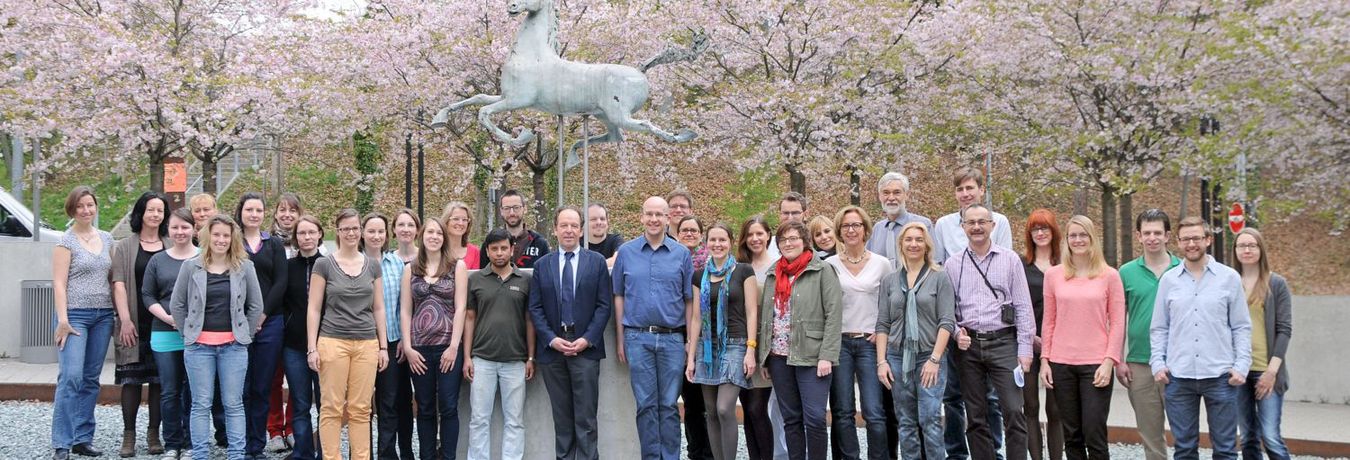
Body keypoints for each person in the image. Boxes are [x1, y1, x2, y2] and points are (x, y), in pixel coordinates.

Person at [1150, 217, 1251, 460]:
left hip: (1221, 377)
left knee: (1226, 450)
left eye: (1196, 238)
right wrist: (1158, 362)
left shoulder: (1229, 278)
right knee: (1184, 450)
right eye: (1186, 239)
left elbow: (1241, 326)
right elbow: (1159, 328)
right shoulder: (1169, 280)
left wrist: (1241, 366)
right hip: (1178, 376)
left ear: (1207, 239)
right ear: (1178, 242)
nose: (1191, 244)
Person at [169, 214, 265, 460]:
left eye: (226, 235)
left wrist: (244, 333)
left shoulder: (245, 267)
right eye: (216, 234)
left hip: (234, 347)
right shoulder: (191, 266)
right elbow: (177, 304)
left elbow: (255, 306)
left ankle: (236, 455)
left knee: (234, 404)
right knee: (201, 404)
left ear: (232, 238)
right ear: (207, 236)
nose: (221, 239)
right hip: (199, 347)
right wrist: (188, 333)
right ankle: (200, 454)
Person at [947, 203, 1034, 460]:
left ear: (992, 225)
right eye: (970, 222)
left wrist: (1026, 349)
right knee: (975, 415)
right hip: (969, 346)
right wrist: (955, 332)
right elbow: (947, 310)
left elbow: (1023, 306)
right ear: (963, 227)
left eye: (982, 222)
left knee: (1014, 411)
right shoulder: (954, 264)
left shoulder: (1010, 260)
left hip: (1004, 342)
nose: (976, 227)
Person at [933, 167, 1009, 460]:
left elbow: (1005, 264)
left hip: (988, 322)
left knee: (990, 396)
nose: (965, 194)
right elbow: (939, 267)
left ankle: (993, 450)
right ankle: (956, 452)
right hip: (955, 317)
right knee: (952, 394)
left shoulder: (998, 222)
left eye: (970, 188)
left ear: (981, 190)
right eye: (960, 189)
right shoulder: (943, 225)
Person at [613, 196, 695, 460]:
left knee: (669, 406)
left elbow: (689, 301)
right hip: (637, 338)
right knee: (646, 405)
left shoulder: (681, 254)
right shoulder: (626, 252)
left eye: (659, 214)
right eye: (649, 214)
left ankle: (670, 457)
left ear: (668, 217)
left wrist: (689, 342)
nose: (654, 219)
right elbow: (619, 297)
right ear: (641, 217)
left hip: (672, 339)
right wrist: (620, 338)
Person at [306, 208, 391, 460]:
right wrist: (312, 347)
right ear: (338, 231)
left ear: (360, 231)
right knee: (331, 408)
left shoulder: (373, 265)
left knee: (361, 409)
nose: (351, 233)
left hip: (366, 343)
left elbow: (378, 307)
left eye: (355, 228)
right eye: (346, 228)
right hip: (332, 341)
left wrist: (383, 346)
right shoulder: (324, 264)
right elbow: (314, 308)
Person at [1038, 216, 1125, 460]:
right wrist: (1045, 360)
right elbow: (1049, 321)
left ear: (1092, 238)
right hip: (1061, 363)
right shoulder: (1054, 276)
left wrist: (1110, 361)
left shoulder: (1110, 276)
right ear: (1066, 240)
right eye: (1072, 235)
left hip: (1096, 365)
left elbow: (1118, 322)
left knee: (1094, 433)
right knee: (1072, 435)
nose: (1078, 240)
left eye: (1083, 235)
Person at [529, 210, 613, 460]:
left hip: (585, 349)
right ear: (554, 229)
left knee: (586, 418)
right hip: (553, 350)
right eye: (563, 225)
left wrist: (587, 339)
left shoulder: (596, 262)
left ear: (581, 230)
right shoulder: (542, 265)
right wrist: (551, 339)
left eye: (573, 225)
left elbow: (604, 305)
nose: (568, 230)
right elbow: (535, 307)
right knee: (562, 418)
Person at [755, 220, 842, 460]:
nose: (788, 243)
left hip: (812, 356)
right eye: (783, 240)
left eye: (794, 238)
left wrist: (827, 355)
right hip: (779, 357)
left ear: (804, 241)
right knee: (791, 418)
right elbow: (767, 317)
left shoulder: (822, 270)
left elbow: (834, 314)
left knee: (814, 418)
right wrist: (764, 357)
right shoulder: (775, 272)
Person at [876, 222, 954, 460]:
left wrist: (934, 359)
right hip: (898, 357)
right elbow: (883, 323)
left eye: (919, 240)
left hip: (929, 356)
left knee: (929, 419)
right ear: (901, 244)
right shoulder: (890, 281)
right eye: (908, 239)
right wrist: (882, 361)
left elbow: (947, 322)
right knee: (906, 421)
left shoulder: (939, 277)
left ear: (926, 245)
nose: (913, 244)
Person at [51, 186, 117, 460]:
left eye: (90, 205)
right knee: (71, 377)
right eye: (80, 206)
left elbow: (114, 279)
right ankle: (62, 442)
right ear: (72, 209)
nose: (86, 210)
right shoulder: (65, 242)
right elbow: (59, 283)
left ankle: (82, 438)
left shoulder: (107, 238)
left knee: (91, 378)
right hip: (75, 316)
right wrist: (63, 320)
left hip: (103, 315)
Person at [684, 223, 759, 460]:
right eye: (713, 240)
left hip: (736, 344)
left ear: (730, 242)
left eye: (722, 240)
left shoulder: (743, 271)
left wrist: (751, 350)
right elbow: (696, 318)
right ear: (706, 243)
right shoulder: (700, 276)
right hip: (707, 348)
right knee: (711, 412)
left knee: (724, 408)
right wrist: (691, 358)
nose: (718, 244)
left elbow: (751, 312)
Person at [823, 206, 892, 460]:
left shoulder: (882, 264)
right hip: (839, 343)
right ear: (840, 231)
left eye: (856, 225)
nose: (851, 230)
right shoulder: (829, 265)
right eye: (846, 226)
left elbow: (891, 302)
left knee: (874, 411)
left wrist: (883, 330)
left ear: (865, 230)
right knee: (842, 411)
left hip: (870, 344)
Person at [399, 216, 469, 460]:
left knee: (448, 407)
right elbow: (406, 310)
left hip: (447, 348)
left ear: (444, 237)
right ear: (422, 235)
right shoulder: (410, 269)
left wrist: (454, 346)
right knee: (425, 408)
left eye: (439, 233)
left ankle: (448, 456)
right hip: (419, 348)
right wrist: (407, 347)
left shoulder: (456, 266)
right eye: (430, 232)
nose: (434, 237)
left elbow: (461, 308)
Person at [464, 222, 536, 460]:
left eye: (504, 248)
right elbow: (469, 318)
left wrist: (530, 357)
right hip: (482, 359)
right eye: (494, 249)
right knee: (479, 419)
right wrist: (467, 357)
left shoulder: (524, 280)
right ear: (487, 251)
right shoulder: (476, 280)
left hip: (515, 360)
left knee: (514, 420)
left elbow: (529, 320)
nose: (499, 253)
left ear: (512, 248)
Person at [1116, 209, 1179, 460]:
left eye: (1157, 232)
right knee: (1150, 434)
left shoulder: (1182, 270)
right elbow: (1119, 318)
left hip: (1178, 362)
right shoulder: (1126, 272)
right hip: (1140, 363)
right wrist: (1119, 360)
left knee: (1184, 432)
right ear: (1139, 236)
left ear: (1167, 236)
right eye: (1147, 233)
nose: (1152, 238)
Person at [111, 191, 167, 457]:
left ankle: (154, 434)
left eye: (160, 210)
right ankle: (128, 436)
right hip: (133, 321)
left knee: (160, 381)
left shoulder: (170, 243)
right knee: (131, 380)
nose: (155, 215)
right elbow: (119, 284)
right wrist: (124, 320)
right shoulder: (125, 246)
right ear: (141, 213)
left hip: (164, 324)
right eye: (151, 210)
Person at [234, 192, 291, 460]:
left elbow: (281, 282)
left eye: (258, 210)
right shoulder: (232, 243)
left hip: (270, 323)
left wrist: (263, 314)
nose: (254, 214)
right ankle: (240, 443)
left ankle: (255, 446)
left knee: (261, 386)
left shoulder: (274, 245)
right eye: (249, 210)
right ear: (241, 213)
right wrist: (247, 317)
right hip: (237, 323)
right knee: (240, 387)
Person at [1231, 228, 1293, 460]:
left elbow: (1284, 330)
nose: (1247, 250)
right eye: (1242, 245)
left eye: (1252, 245)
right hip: (1238, 371)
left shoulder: (1276, 284)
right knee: (1247, 437)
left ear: (1261, 249)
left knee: (1271, 437)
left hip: (1267, 370)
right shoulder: (1229, 282)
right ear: (1235, 250)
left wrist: (1271, 372)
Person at [143, 207, 199, 460]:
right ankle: (172, 443)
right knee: (169, 390)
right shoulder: (158, 260)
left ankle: (190, 443)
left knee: (193, 390)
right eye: (175, 227)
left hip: (196, 335)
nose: (180, 232)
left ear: (194, 229)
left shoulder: (203, 258)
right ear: (168, 229)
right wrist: (167, 317)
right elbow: (148, 295)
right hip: (164, 333)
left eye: (185, 227)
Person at [281, 215, 326, 460]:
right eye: (301, 233)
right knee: (300, 402)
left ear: (320, 234)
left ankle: (324, 451)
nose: (306, 238)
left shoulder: (330, 265)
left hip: (325, 343)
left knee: (324, 402)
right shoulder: (288, 267)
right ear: (295, 238)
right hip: (294, 345)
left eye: (311, 232)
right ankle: (303, 451)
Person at [1022, 209, 1065, 460]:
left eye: (1045, 228)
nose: (1040, 233)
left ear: (1053, 232)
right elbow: (1016, 303)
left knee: (1055, 409)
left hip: (1059, 344)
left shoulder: (1064, 265)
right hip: (1028, 342)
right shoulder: (1021, 265)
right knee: (1030, 406)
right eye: (1035, 229)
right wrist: (1029, 336)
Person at [376, 210, 417, 460]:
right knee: (391, 399)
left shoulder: (425, 258)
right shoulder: (387, 262)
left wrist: (407, 337)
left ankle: (408, 451)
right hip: (390, 340)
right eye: (400, 224)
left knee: (410, 400)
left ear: (417, 229)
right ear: (394, 230)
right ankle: (388, 453)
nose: (405, 229)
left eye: (410, 224)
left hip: (418, 340)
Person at [735, 217, 776, 460]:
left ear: (768, 236)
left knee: (757, 408)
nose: (755, 239)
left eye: (759, 233)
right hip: (741, 343)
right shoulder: (738, 266)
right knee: (748, 411)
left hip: (766, 345)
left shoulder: (778, 265)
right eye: (750, 234)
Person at [673, 213, 713, 460]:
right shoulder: (671, 259)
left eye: (693, 230)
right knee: (689, 401)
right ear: (677, 234)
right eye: (684, 230)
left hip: (707, 337)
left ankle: (709, 453)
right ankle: (694, 451)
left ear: (701, 235)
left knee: (704, 401)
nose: (689, 234)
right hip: (678, 333)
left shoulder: (711, 262)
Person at [266, 193, 304, 452]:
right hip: (273, 317)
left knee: (297, 378)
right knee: (272, 378)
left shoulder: (308, 241)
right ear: (276, 213)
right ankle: (274, 429)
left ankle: (292, 427)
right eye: (282, 210)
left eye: (292, 210)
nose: (287, 214)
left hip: (298, 320)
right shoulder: (267, 243)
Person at [867, 171, 933, 265]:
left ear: (907, 195)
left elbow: (934, 262)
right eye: (886, 193)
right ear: (880, 196)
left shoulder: (924, 225)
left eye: (897, 192)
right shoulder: (876, 229)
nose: (891, 198)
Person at [489, 189, 550, 268]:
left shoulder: (539, 243)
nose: (512, 213)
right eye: (507, 208)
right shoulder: (491, 242)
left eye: (516, 207)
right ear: (501, 211)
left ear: (525, 209)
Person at [765, 192, 809, 260]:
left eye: (795, 213)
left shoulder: (817, 243)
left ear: (805, 215)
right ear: (779, 215)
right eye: (786, 213)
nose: (790, 218)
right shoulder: (768, 246)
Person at [442, 201, 482, 269]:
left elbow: (475, 278)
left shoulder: (474, 252)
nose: (461, 223)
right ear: (446, 221)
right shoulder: (437, 249)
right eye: (456, 219)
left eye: (464, 220)